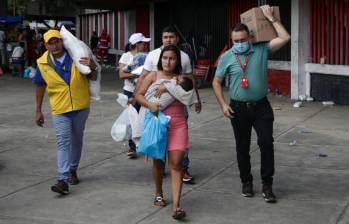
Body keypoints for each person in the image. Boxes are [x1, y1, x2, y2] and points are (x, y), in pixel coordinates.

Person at [212, 5, 290, 203]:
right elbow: (216, 81)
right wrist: (222, 104)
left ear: (250, 37)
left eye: (242, 40)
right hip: (237, 108)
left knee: (266, 143)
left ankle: (267, 184)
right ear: (232, 40)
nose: (239, 44)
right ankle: (246, 182)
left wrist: (271, 18)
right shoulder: (227, 57)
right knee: (242, 148)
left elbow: (285, 38)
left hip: (261, 106)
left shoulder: (261, 49)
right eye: (235, 41)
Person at [33, 29, 98, 195]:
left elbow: (92, 77)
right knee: (63, 142)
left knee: (77, 139)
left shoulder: (75, 55)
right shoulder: (42, 63)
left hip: (81, 106)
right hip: (60, 109)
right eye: (50, 43)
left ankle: (73, 169)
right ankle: (62, 179)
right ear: (46, 45)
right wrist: (38, 110)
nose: (54, 45)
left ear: (62, 42)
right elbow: (40, 86)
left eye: (57, 41)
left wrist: (93, 67)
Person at [137, 25, 201, 183]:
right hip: (156, 108)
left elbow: (189, 80)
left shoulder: (184, 57)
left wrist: (196, 99)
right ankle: (160, 167)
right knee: (158, 141)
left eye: (171, 37)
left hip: (178, 108)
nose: (168, 40)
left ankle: (182, 168)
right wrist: (139, 98)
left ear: (177, 39)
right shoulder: (152, 55)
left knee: (180, 142)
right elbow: (144, 76)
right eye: (165, 37)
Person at [135, 45, 190, 220]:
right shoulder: (153, 75)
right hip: (157, 124)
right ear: (161, 59)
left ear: (177, 61)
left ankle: (176, 206)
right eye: (165, 58)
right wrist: (149, 105)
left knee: (176, 163)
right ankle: (159, 193)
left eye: (172, 58)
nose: (168, 61)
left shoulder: (182, 79)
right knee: (159, 162)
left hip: (178, 124)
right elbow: (139, 95)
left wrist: (170, 87)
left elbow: (190, 94)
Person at [118, 33, 150, 158]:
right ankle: (132, 147)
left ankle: (145, 144)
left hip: (144, 91)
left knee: (144, 118)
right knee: (132, 119)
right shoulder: (126, 56)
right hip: (129, 91)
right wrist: (139, 74)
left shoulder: (146, 56)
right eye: (143, 43)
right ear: (137, 44)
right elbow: (122, 75)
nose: (145, 45)